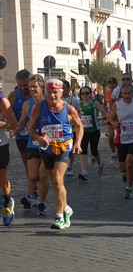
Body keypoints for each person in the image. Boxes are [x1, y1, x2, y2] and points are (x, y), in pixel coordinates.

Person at [29, 78, 83, 230]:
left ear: (61, 92)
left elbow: (80, 126)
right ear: (45, 92)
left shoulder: (69, 109)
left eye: (55, 93)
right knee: (56, 182)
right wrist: (39, 138)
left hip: (64, 147)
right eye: (49, 92)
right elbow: (31, 129)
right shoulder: (39, 107)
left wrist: (78, 143)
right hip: (47, 149)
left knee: (58, 179)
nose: (52, 96)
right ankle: (66, 208)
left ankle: (59, 216)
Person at [15, 74, 49, 216]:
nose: (31, 89)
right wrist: (14, 129)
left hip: (48, 144)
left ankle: (41, 202)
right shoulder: (27, 104)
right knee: (33, 174)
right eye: (30, 87)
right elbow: (23, 121)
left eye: (34, 87)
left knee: (42, 175)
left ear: (42, 87)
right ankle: (33, 195)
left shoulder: (50, 102)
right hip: (32, 142)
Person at [8, 69, 36, 208]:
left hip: (36, 136)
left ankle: (33, 192)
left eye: (25, 85)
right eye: (20, 85)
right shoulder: (13, 96)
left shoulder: (36, 95)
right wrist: (11, 127)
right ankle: (33, 191)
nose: (23, 88)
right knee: (28, 165)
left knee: (36, 165)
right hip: (21, 135)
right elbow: (7, 113)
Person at [78, 86, 109, 181]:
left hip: (94, 131)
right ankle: (83, 171)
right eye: (83, 93)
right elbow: (78, 116)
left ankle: (100, 164)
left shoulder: (94, 103)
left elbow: (103, 112)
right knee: (83, 150)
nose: (85, 95)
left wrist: (110, 119)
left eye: (87, 93)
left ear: (90, 94)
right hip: (84, 131)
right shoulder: (80, 104)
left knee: (94, 150)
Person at [0, 92, 18, 226]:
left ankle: (7, 201)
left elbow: (13, 124)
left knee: (1, 178)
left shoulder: (2, 101)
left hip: (0, 145)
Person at [103, 77, 119, 163]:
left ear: (116, 84)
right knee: (110, 137)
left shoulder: (119, 93)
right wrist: (104, 113)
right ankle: (113, 153)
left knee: (120, 137)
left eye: (113, 83)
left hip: (118, 118)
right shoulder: (106, 93)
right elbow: (104, 105)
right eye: (110, 83)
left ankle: (120, 152)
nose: (112, 85)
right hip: (109, 118)